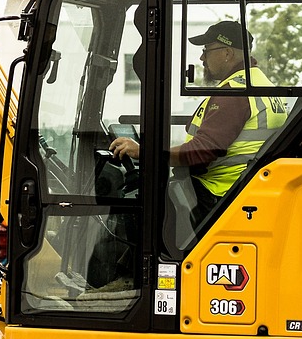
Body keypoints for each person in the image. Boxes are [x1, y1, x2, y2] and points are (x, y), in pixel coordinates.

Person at [109, 20, 286, 217]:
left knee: (136, 211)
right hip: (241, 188)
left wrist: (146, 153)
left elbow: (202, 152)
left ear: (227, 53)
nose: (202, 58)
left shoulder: (234, 94)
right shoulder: (261, 84)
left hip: (216, 194)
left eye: (206, 50)